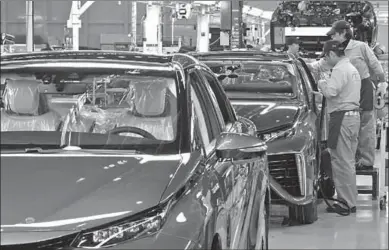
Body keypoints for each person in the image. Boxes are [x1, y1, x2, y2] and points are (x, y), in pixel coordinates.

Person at [308, 20, 386, 170]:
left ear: (343, 32)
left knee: (366, 126)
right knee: (350, 128)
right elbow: (320, 64)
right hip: (345, 92)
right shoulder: (335, 50)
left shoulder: (360, 47)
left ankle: (366, 160)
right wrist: (303, 63)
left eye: (334, 34)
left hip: (363, 88)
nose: (332, 37)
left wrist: (382, 84)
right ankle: (352, 158)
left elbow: (375, 65)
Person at [318, 40, 361, 213]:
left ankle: (346, 202)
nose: (326, 60)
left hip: (342, 118)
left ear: (332, 54)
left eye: (326, 57)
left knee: (341, 161)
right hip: (352, 118)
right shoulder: (351, 68)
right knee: (347, 160)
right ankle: (350, 199)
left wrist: (322, 83)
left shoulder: (339, 69)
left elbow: (331, 92)